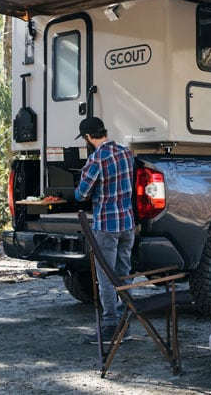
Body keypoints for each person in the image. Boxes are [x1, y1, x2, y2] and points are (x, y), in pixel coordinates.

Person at [74, 116, 135, 345]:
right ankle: (125, 323)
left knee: (106, 277)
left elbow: (82, 194)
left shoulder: (96, 159)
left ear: (88, 137)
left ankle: (110, 326)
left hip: (106, 226)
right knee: (124, 273)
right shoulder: (125, 152)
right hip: (127, 224)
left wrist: (77, 188)